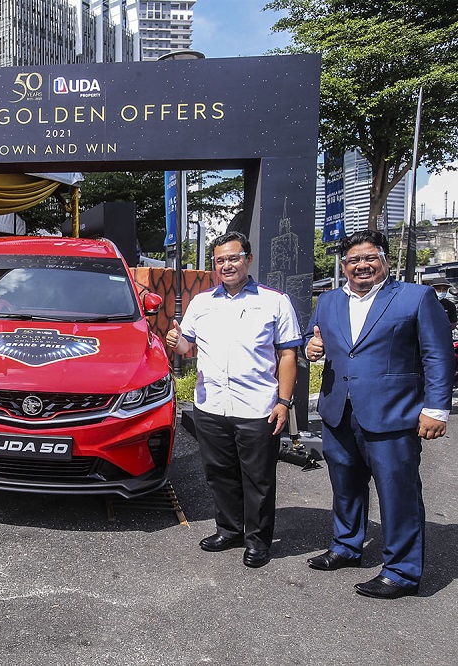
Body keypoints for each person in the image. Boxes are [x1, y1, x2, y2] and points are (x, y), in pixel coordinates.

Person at [304, 229, 453, 599]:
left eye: (370, 257)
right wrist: (312, 346)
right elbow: (315, 338)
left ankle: (402, 571)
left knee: (397, 493)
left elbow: (438, 355)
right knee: (345, 487)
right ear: (343, 266)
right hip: (339, 410)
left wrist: (436, 409)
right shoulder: (328, 301)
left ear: (384, 260)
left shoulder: (416, 297)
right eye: (354, 260)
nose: (362, 265)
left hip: (393, 413)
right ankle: (346, 546)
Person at [165, 231, 301, 568]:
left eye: (233, 258)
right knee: (219, 473)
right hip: (211, 406)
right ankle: (229, 529)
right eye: (220, 260)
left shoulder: (275, 301)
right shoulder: (202, 302)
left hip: (258, 407)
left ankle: (257, 541)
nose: (227, 265)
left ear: (248, 260)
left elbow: (287, 355)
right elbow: (188, 348)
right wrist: (175, 340)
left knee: (258, 478)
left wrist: (284, 403)